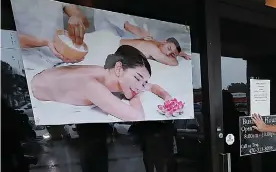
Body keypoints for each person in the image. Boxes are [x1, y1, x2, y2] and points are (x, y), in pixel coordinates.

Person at [30, 45, 172, 121]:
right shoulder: (92, 85)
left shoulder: (107, 74)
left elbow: (151, 86)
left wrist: (167, 98)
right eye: (137, 78)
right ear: (119, 68)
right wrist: (135, 96)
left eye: (143, 82)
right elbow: (137, 116)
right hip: (35, 86)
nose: (140, 86)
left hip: (47, 75)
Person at [10, 0, 89, 63]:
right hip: (28, 58)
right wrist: (45, 43)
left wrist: (76, 17)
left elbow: (82, 19)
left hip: (60, 55)